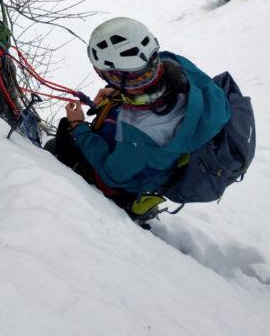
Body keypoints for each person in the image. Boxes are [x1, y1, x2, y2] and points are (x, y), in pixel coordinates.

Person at [46, 17, 231, 217]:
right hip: (172, 145)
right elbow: (149, 82)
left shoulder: (140, 134)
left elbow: (111, 176)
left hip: (138, 171)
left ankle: (129, 206)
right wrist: (118, 92)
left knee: (56, 148)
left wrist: (78, 125)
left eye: (107, 75)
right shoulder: (175, 64)